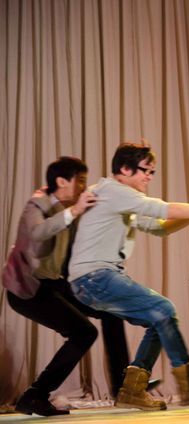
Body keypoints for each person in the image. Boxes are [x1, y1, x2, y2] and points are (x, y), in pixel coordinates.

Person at [67, 143, 189, 411]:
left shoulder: (119, 196)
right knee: (164, 309)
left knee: (159, 319)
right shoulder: (113, 191)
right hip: (93, 276)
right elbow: (162, 209)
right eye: (145, 170)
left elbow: (160, 227)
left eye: (152, 172)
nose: (149, 177)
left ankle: (132, 390)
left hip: (92, 279)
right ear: (125, 169)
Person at [2, 157, 130, 416]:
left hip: (55, 283)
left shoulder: (71, 209)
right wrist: (74, 212)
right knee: (83, 333)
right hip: (27, 290)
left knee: (111, 311)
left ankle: (124, 388)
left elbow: (73, 253)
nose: (84, 187)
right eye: (80, 180)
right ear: (61, 181)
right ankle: (34, 396)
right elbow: (38, 233)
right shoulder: (37, 204)